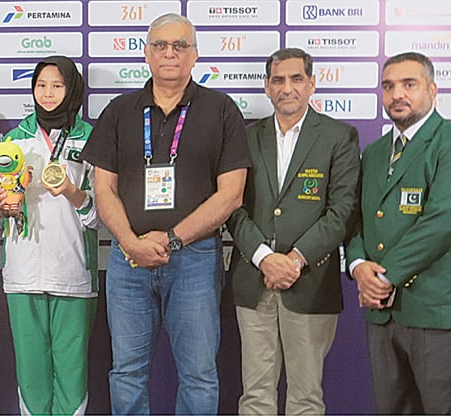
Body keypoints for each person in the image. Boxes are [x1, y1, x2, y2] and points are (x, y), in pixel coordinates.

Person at [81, 13, 251, 415]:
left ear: (195, 55)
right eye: (160, 45)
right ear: (146, 53)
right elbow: (102, 188)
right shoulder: (120, 110)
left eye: (180, 45)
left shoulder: (221, 109)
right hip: (128, 261)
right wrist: (130, 243)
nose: (170, 53)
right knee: (126, 372)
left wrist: (172, 239)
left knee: (198, 374)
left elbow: (232, 195)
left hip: (194, 259)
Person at [226, 48, 360, 415]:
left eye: (296, 79)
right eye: (279, 80)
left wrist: (295, 260)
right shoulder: (245, 137)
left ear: (312, 84)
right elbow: (231, 205)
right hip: (254, 281)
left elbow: (343, 210)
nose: (287, 88)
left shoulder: (338, 136)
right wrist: (265, 258)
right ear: (266, 87)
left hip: (311, 284)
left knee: (305, 398)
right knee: (255, 396)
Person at [0, 56, 98, 415]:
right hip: (23, 273)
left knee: (72, 372)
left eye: (57, 85)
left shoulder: (91, 139)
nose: (48, 93)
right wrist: (0, 206)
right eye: (41, 85)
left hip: (74, 271)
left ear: (72, 89)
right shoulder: (14, 140)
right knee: (31, 373)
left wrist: (71, 191)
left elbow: (102, 215)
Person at [347, 52, 451, 414]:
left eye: (409, 84)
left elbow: (442, 221)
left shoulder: (447, 141)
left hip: (434, 311)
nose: (397, 95)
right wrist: (360, 266)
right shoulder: (374, 152)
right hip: (381, 313)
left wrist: (385, 277)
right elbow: (356, 219)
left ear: (433, 90)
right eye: (388, 86)